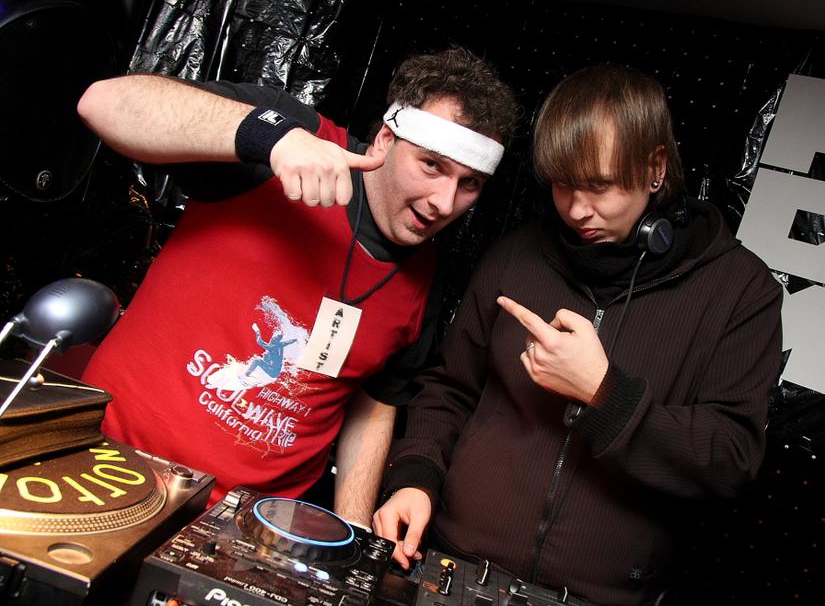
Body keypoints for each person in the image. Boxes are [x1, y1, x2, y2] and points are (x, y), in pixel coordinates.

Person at [372, 64, 783, 605]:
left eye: (600, 186)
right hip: (455, 565)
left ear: (655, 167)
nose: (576, 209)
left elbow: (731, 458)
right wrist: (415, 477)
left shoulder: (740, 290)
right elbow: (449, 389)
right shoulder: (515, 255)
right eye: (563, 185)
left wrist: (603, 394)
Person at [75, 47, 518, 525]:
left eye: (469, 184)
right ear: (386, 140)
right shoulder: (295, 138)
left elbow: (374, 403)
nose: (444, 203)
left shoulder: (425, 274)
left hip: (251, 525)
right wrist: (268, 136)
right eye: (431, 165)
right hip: (109, 464)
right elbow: (103, 102)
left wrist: (354, 530)